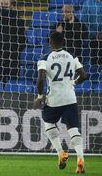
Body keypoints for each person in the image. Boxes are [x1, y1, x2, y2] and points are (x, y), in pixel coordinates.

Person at [34, 32, 87, 174]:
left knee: (48, 123)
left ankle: (60, 152)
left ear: (50, 41)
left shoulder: (45, 58)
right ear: (63, 41)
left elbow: (40, 79)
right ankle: (80, 159)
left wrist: (40, 96)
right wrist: (74, 83)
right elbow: (84, 75)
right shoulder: (71, 56)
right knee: (73, 128)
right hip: (70, 98)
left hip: (54, 99)